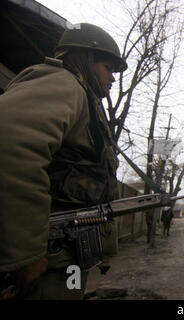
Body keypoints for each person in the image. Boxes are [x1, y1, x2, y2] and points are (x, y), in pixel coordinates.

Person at [0, 23, 127, 300]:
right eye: (108, 67)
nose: (113, 78)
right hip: (47, 257)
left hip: (65, 256)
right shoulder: (63, 83)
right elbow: (11, 144)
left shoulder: (83, 97)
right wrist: (26, 254)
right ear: (85, 59)